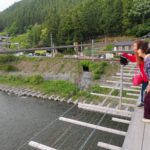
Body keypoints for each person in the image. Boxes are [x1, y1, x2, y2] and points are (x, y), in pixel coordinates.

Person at [122, 40, 148, 107]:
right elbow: (133, 59)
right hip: (145, 78)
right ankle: (143, 102)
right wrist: (125, 55)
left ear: (140, 48)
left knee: (145, 91)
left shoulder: (144, 56)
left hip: (148, 77)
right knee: (143, 90)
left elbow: (135, 59)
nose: (133, 47)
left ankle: (145, 103)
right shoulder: (139, 55)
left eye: (134, 46)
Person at [137, 42, 150, 122]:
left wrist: (149, 86)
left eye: (139, 49)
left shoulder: (148, 60)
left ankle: (148, 117)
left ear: (143, 50)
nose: (138, 51)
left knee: (147, 99)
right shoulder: (147, 59)